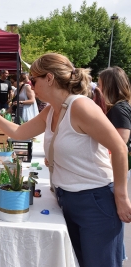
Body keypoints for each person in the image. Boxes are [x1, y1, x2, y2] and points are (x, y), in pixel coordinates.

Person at [0, 53, 131, 267]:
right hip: (69, 199)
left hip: (95, 201)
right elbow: (19, 132)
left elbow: (118, 148)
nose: (30, 86)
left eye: (33, 80)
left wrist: (121, 195)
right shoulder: (53, 110)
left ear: (50, 78)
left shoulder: (80, 106)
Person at [98, 66, 131, 265]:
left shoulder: (119, 109)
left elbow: (120, 145)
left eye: (101, 85)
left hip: (114, 171)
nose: (99, 89)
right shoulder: (120, 106)